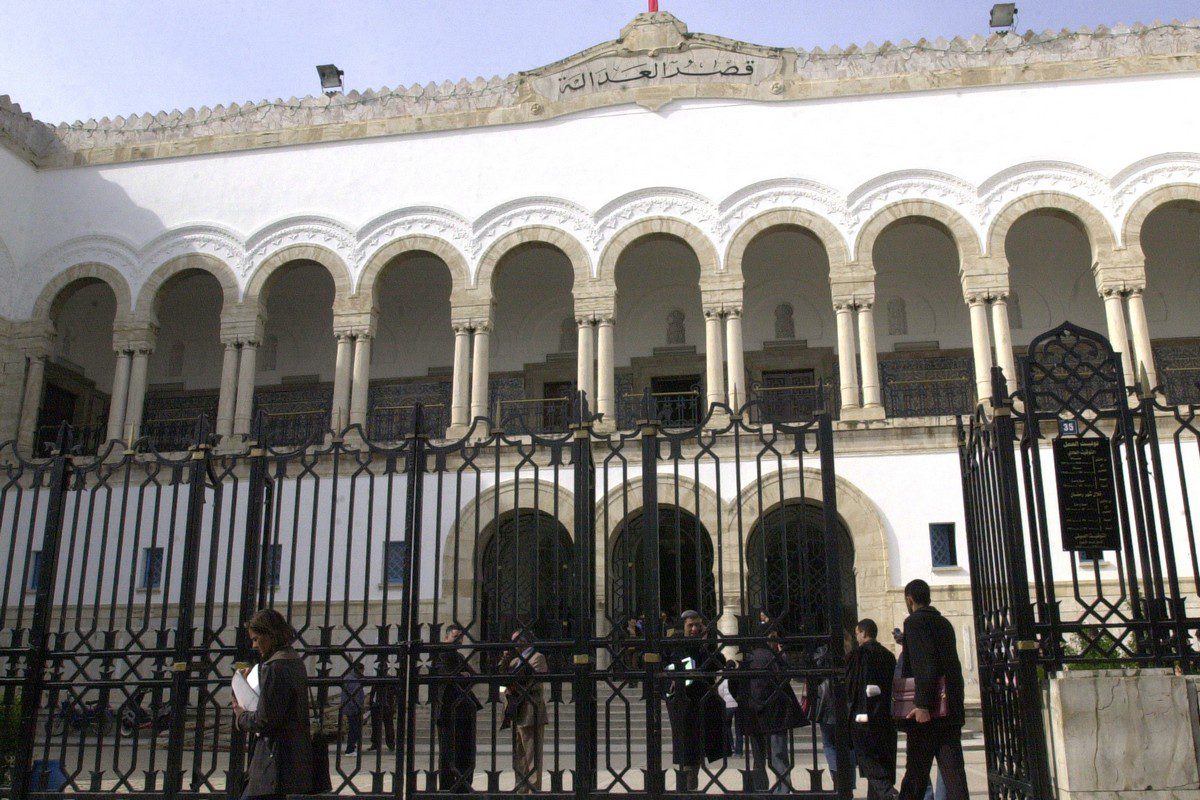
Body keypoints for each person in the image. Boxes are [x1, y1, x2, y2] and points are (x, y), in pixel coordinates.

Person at [232, 609, 315, 799]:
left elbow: (265, 720)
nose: (253, 645)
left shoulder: (275, 667)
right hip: (292, 757)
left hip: (273, 760)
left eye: (256, 638)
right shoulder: (293, 660)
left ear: (270, 635)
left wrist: (240, 716)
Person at [897, 579, 968, 800]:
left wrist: (922, 705)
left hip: (928, 715)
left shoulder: (914, 622)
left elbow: (925, 664)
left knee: (916, 775)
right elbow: (949, 665)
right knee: (954, 774)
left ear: (910, 599)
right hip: (949, 710)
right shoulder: (944, 623)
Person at [665, 610, 729, 791]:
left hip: (704, 704)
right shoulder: (673, 646)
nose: (694, 629)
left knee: (697, 756)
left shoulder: (706, 646)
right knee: (687, 755)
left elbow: (720, 663)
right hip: (683, 707)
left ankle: (691, 789)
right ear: (682, 627)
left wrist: (705, 646)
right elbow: (660, 669)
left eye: (697, 625)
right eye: (690, 625)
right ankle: (687, 790)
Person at [738, 625, 805, 793]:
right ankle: (782, 791)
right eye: (774, 638)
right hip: (775, 714)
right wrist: (782, 655)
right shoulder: (774, 657)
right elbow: (787, 677)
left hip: (754, 713)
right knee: (778, 757)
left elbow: (738, 685)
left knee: (758, 759)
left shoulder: (749, 657)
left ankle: (760, 791)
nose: (777, 641)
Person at [847, 618, 898, 800]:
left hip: (863, 714)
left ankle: (887, 792)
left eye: (857, 634)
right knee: (883, 758)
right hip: (885, 714)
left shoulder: (859, 655)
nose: (856, 637)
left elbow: (850, 686)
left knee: (867, 757)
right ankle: (881, 793)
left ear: (864, 633)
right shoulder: (888, 655)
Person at [435, 624, 482, 791]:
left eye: (461, 638)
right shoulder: (440, 654)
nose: (459, 640)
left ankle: (464, 784)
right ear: (447, 637)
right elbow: (448, 677)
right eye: (456, 637)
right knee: (448, 752)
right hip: (448, 710)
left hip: (464, 709)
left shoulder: (459, 656)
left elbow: (472, 676)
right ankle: (447, 787)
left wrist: (463, 676)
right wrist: (461, 676)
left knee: (465, 750)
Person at [501, 629, 548, 794]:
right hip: (516, 711)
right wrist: (505, 657)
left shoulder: (537, 657)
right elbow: (501, 675)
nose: (513, 643)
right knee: (519, 755)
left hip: (530, 711)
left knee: (532, 755)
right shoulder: (514, 660)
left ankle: (534, 789)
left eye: (516, 640)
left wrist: (515, 686)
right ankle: (521, 788)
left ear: (525, 640)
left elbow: (535, 682)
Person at [812, 643, 855, 781]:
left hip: (827, 702)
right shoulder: (852, 654)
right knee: (848, 745)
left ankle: (837, 776)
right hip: (846, 703)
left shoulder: (822, 652)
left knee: (829, 743)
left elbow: (813, 674)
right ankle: (849, 782)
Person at [717, 659, 742, 756]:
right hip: (737, 704)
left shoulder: (724, 679)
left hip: (727, 705)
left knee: (727, 727)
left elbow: (720, 692)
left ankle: (730, 746)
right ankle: (739, 751)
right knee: (738, 728)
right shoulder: (737, 677)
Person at [341, 662, 366, 755]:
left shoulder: (350, 678)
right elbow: (353, 696)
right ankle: (350, 749)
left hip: (351, 707)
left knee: (354, 728)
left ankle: (352, 747)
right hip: (353, 709)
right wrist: (357, 708)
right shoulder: (353, 680)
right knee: (354, 729)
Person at [367, 679, 396, 752]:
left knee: (389, 727)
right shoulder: (376, 680)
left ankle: (391, 744)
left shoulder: (390, 680)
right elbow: (372, 692)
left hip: (387, 707)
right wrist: (371, 703)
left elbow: (394, 693)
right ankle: (375, 744)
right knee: (375, 726)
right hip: (376, 706)